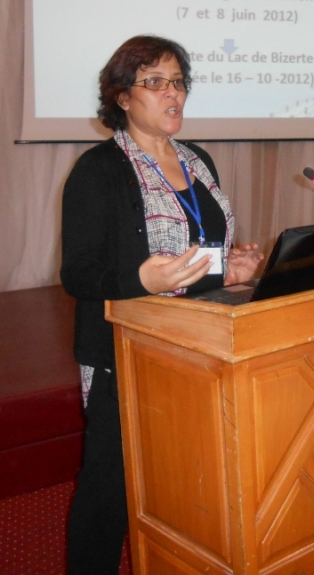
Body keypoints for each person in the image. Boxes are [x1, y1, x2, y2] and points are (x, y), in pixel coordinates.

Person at [60, 35, 262, 574]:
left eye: (177, 82)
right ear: (123, 97)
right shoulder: (98, 170)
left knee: (183, 477)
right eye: (155, 83)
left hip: (199, 342)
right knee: (109, 487)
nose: (172, 94)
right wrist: (138, 279)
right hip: (125, 352)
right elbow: (77, 274)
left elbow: (200, 256)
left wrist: (229, 270)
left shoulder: (198, 161)